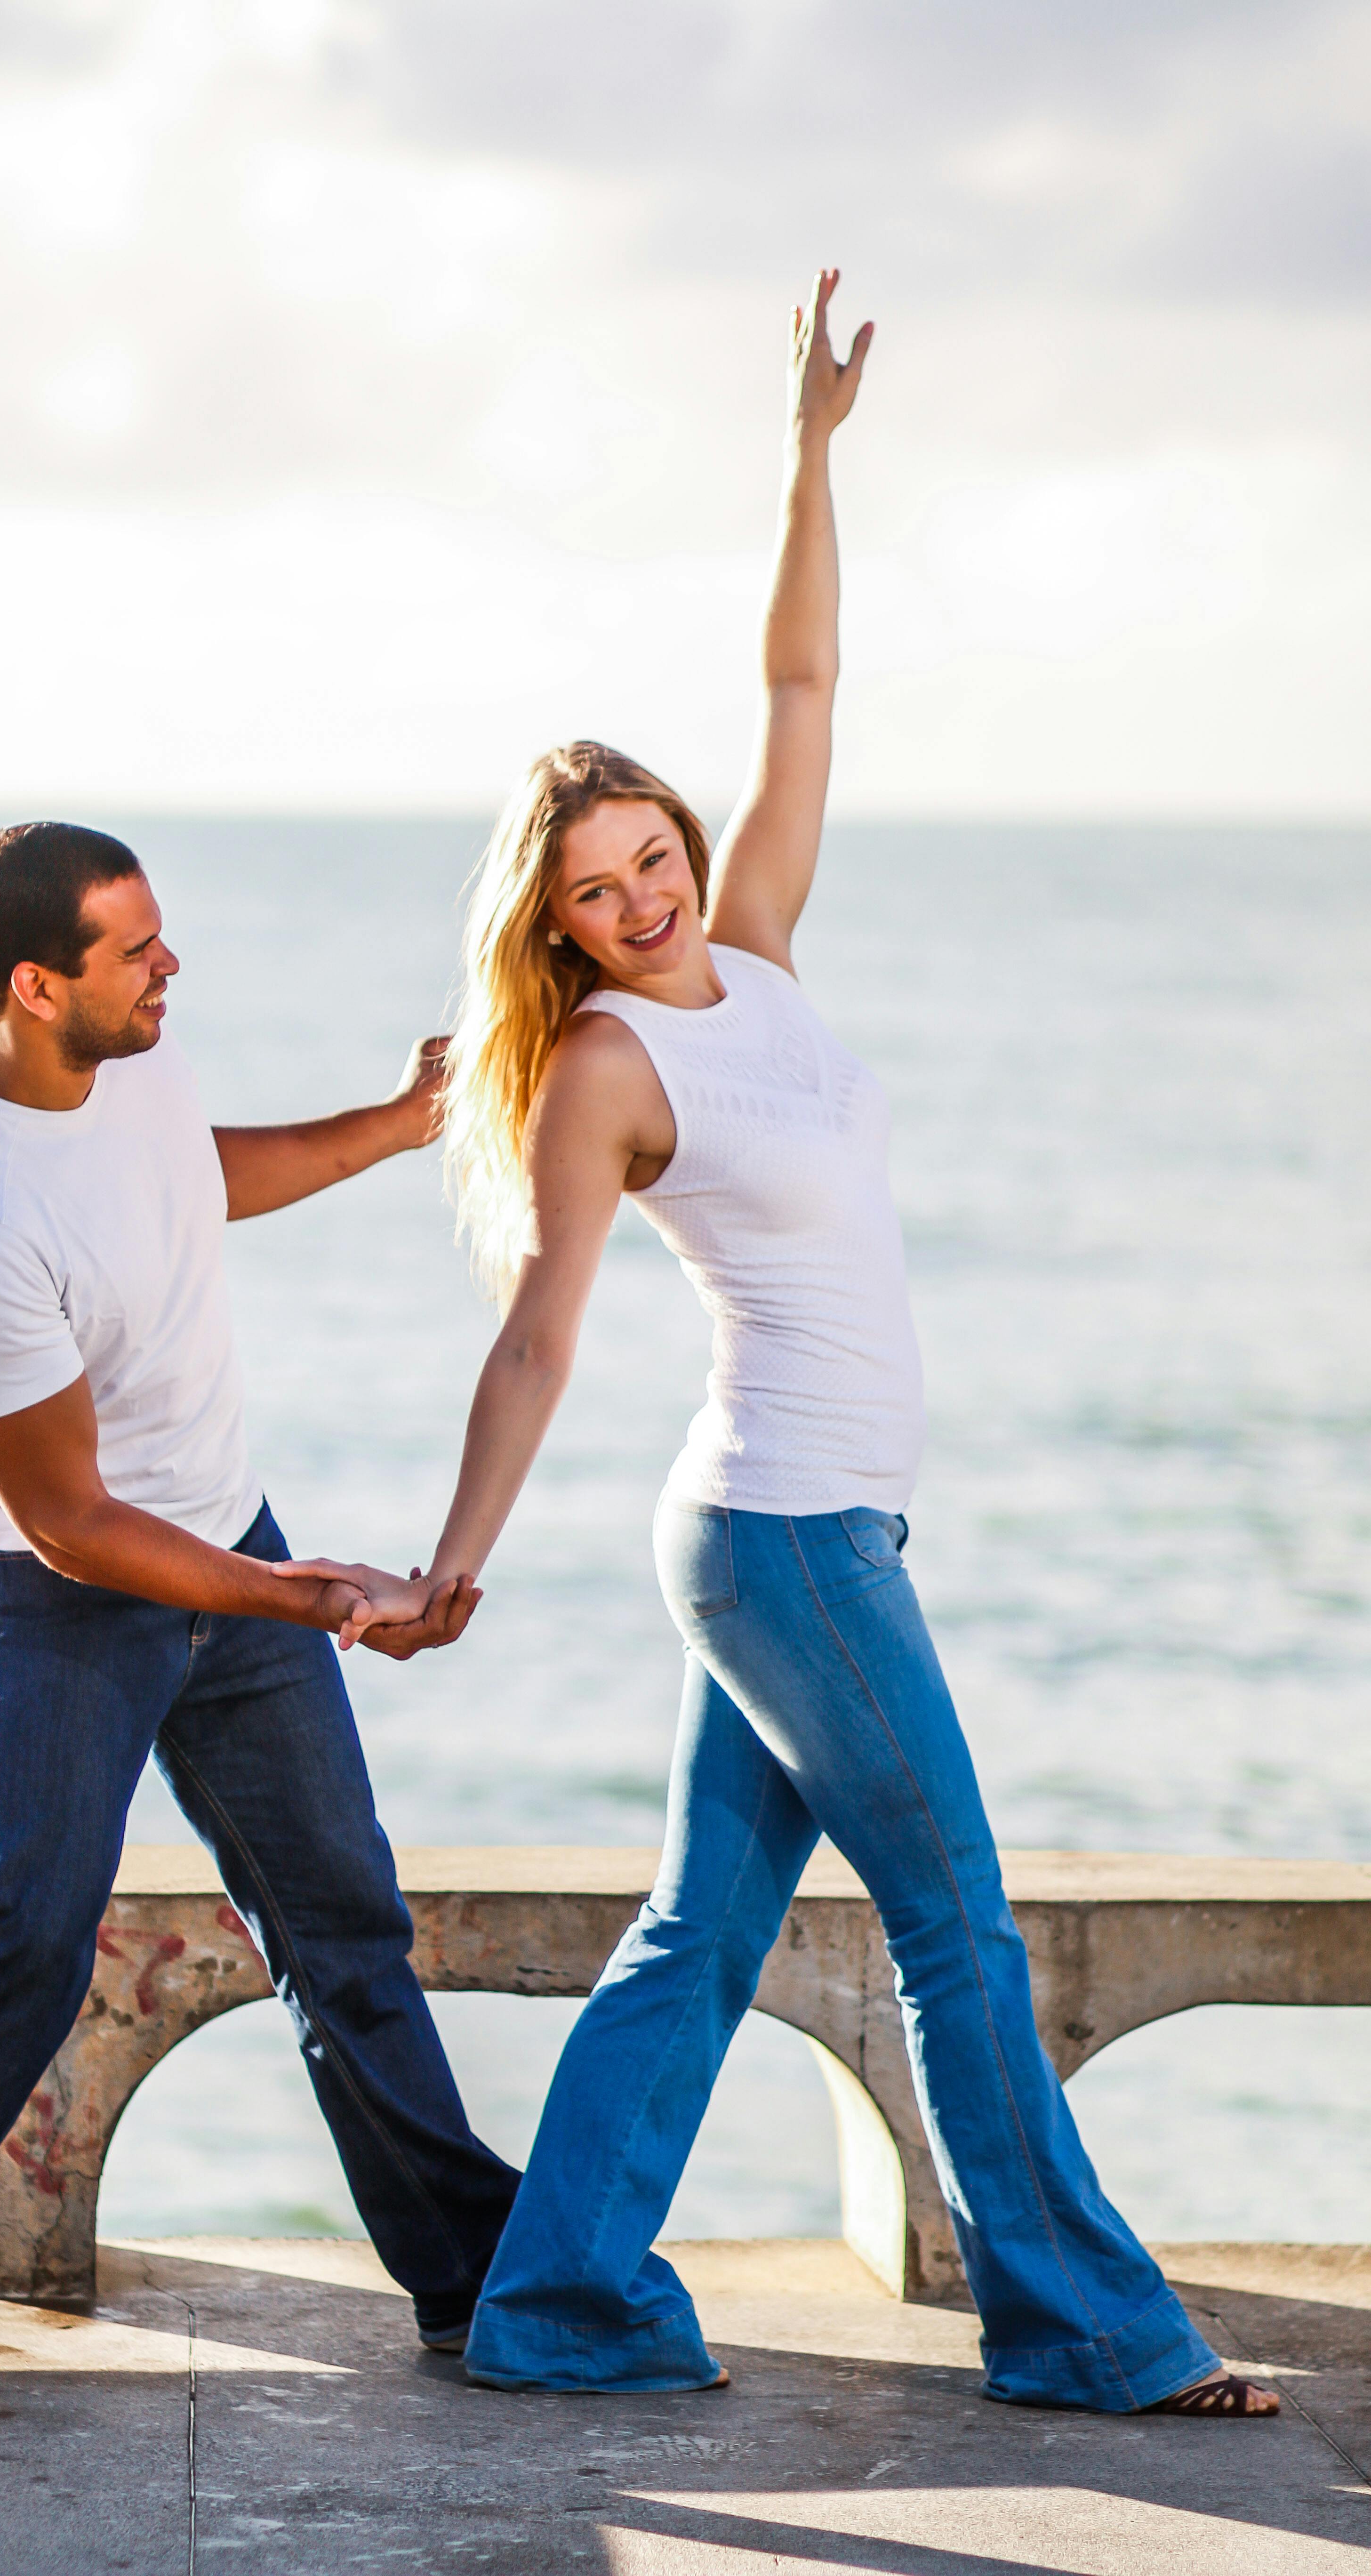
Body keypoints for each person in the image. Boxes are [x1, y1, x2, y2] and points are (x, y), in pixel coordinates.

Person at [291, 274, 1278, 2417]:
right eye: (596, 888)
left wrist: (814, 455)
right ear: (552, 922)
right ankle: (1087, 2331)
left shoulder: (762, 954)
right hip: (786, 1534)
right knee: (961, 1929)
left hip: (818, 1532)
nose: (641, 899)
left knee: (700, 1942)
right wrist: (455, 1563)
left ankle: (553, 2303)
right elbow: (540, 1337)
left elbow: (805, 682)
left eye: (652, 855)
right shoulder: (606, 1076)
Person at [0, 823, 518, 2400]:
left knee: (343, 1925)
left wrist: (403, 1124)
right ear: (35, 983)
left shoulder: (131, 1064)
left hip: (227, 1549)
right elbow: (70, 1524)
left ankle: (475, 2281)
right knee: (27, 1938)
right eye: (135, 950)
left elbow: (198, 1184)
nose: (169, 968)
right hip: (53, 1594)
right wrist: (293, 1595)